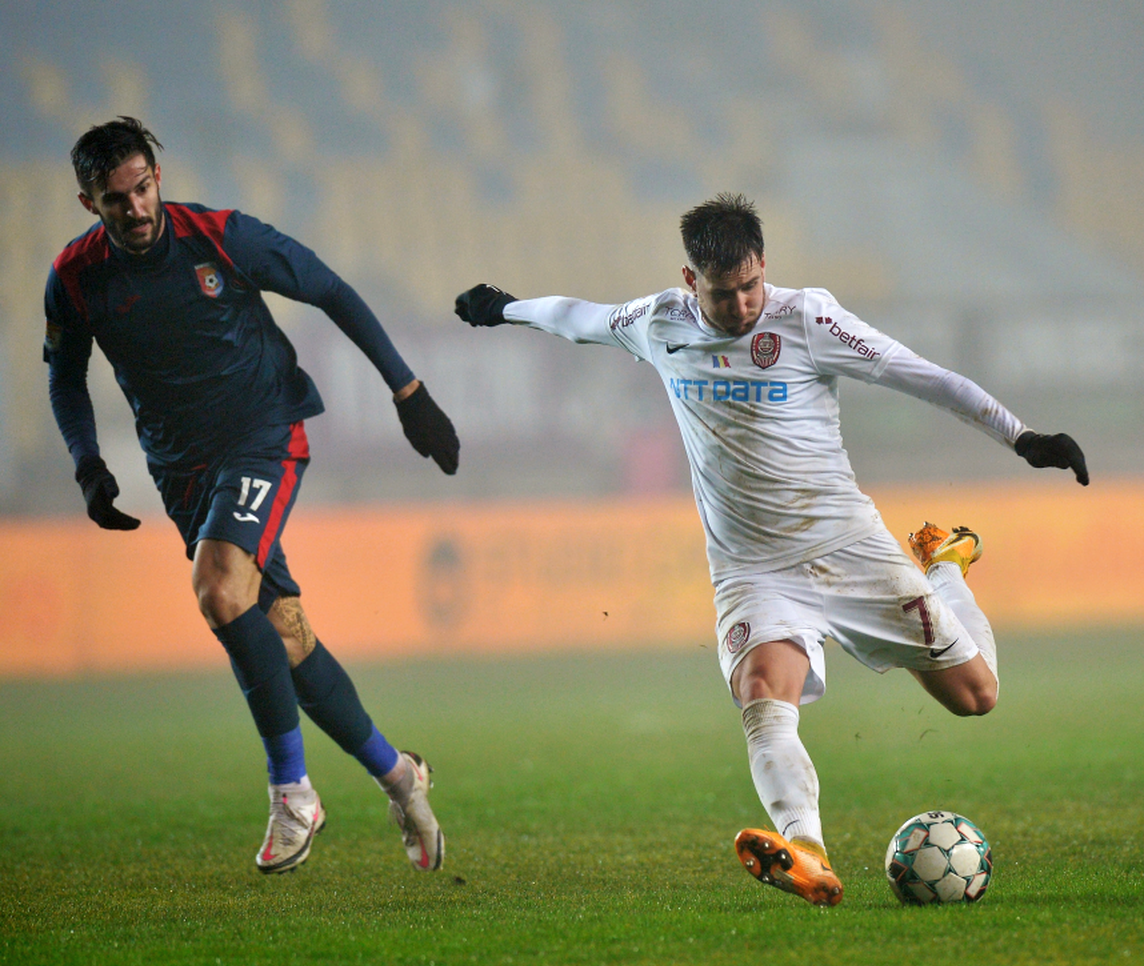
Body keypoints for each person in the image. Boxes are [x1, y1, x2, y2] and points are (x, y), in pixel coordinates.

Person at [454, 193, 1088, 906]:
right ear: (691, 281)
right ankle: (807, 851)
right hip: (754, 568)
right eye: (725, 293)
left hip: (847, 546)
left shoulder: (807, 319)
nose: (743, 304)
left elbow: (922, 376)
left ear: (765, 268)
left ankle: (945, 563)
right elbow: (578, 319)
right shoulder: (659, 322)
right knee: (761, 693)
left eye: (753, 284)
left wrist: (1022, 436)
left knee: (977, 696)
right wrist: (505, 308)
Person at [45, 117, 457, 876]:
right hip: (182, 470)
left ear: (156, 177)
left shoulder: (221, 238)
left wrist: (408, 390)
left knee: (219, 589)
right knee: (285, 636)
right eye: (115, 199)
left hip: (264, 433)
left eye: (142, 188)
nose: (135, 208)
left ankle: (292, 791)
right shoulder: (75, 278)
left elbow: (329, 287)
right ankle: (399, 773)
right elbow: (65, 376)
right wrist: (87, 463)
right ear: (87, 202)